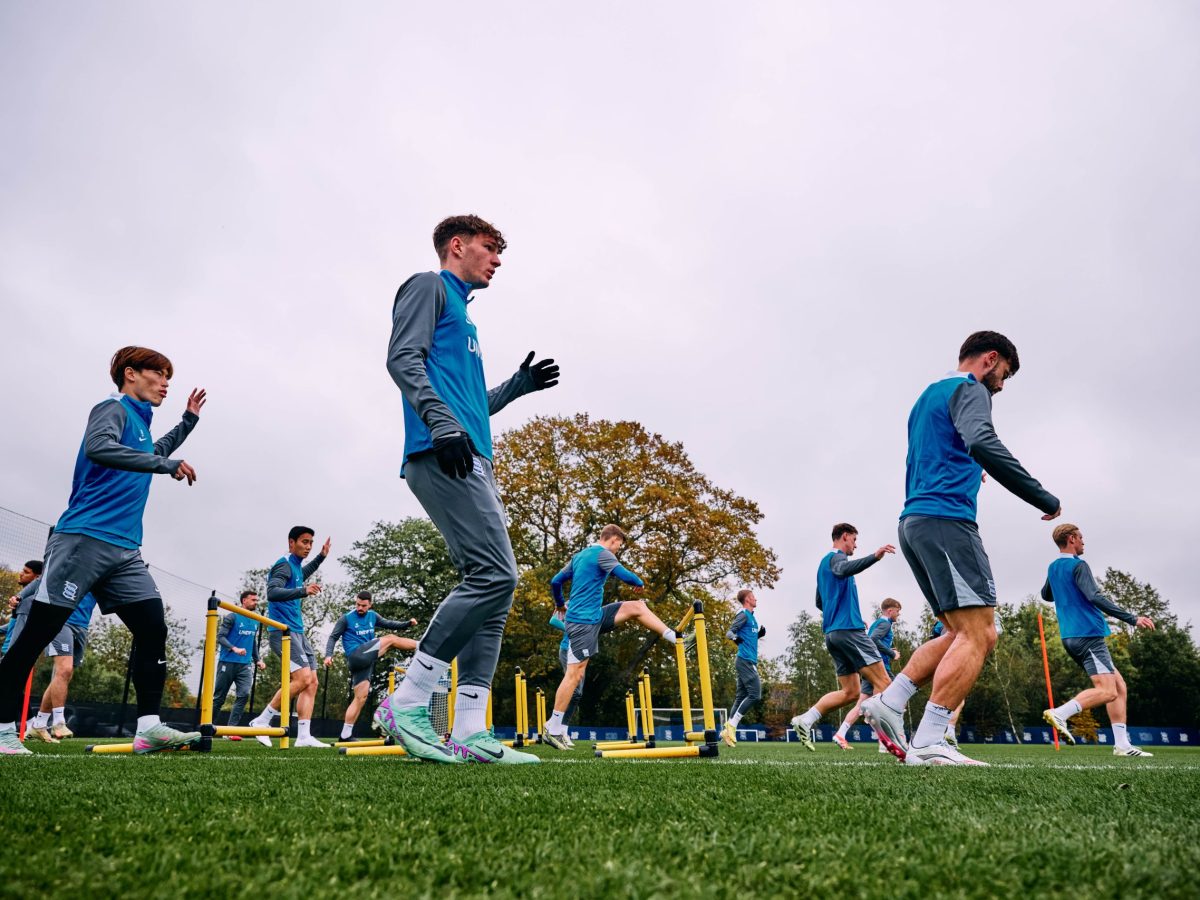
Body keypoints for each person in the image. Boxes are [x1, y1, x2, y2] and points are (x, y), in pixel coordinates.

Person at [376, 214, 559, 765]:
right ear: (457, 245)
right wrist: (441, 424)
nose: (497, 260)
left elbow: (474, 403)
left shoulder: (466, 319)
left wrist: (518, 386)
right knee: (494, 575)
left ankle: (471, 729)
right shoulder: (428, 287)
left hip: (472, 453)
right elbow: (401, 359)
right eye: (490, 247)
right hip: (443, 452)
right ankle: (407, 701)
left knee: (496, 593)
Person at [863, 331, 1061, 767]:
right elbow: (981, 441)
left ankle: (890, 702)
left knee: (955, 633)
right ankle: (930, 739)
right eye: (1004, 374)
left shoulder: (927, 396)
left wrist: (971, 469)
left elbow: (946, 449)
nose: (1001, 386)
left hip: (915, 523)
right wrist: (1043, 497)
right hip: (947, 521)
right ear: (990, 359)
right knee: (981, 633)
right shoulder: (971, 389)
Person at [0, 346, 205, 756]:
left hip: (125, 551)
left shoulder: (141, 423)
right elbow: (99, 447)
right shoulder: (111, 408)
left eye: (169, 377)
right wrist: (165, 465)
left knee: (152, 627)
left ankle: (148, 729)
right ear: (131, 373)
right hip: (83, 540)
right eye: (159, 374)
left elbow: (152, 454)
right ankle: (4, 730)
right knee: (36, 635)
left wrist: (187, 422)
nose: (165, 383)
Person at [542, 524, 679, 750]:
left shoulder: (579, 556)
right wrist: (639, 582)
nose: (617, 550)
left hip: (595, 616)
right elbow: (624, 575)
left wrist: (559, 604)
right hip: (583, 622)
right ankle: (553, 727)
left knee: (636, 607)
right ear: (613, 539)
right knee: (575, 674)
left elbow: (556, 581)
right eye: (619, 546)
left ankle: (674, 636)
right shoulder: (602, 554)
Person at [1041, 524, 1156, 757]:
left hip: (1070, 636)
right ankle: (1060, 714)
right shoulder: (1079, 565)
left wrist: (1063, 587)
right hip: (1088, 635)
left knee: (1119, 687)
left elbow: (1046, 595)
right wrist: (1132, 619)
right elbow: (1094, 596)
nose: (1083, 542)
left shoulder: (1054, 567)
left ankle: (1122, 745)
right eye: (1081, 538)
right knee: (1107, 691)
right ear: (1071, 539)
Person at [790, 524, 895, 751]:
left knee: (851, 692)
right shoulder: (837, 558)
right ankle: (887, 740)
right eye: (854, 540)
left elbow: (820, 601)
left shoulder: (822, 565)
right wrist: (875, 557)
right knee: (885, 683)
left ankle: (805, 720)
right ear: (844, 536)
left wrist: (843, 613)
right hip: (849, 630)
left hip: (833, 634)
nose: (855, 545)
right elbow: (842, 570)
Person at [248, 527, 330, 748]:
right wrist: (303, 591)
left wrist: (321, 557)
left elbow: (304, 573)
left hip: (298, 632)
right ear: (291, 542)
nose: (308, 546)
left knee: (312, 682)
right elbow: (272, 592)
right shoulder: (284, 564)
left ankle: (303, 736)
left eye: (311, 542)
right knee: (302, 679)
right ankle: (261, 721)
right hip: (283, 632)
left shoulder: (296, 566)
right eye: (304, 542)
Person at [323, 591, 418, 741]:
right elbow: (333, 637)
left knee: (361, 697)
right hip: (356, 655)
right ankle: (422, 646)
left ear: (370, 605)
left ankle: (345, 735)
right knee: (391, 639)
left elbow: (389, 624)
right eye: (358, 604)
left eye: (363, 605)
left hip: (366, 660)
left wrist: (407, 624)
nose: (360, 608)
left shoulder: (373, 616)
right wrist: (328, 655)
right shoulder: (346, 618)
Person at [28, 591, 98, 742]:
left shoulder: (102, 580)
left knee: (65, 675)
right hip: (60, 620)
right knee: (64, 669)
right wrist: (20, 596)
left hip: (82, 625)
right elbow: (40, 583)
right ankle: (59, 723)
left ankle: (39, 724)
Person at [833, 597, 901, 752]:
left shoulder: (877, 623)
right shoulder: (885, 624)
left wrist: (888, 651)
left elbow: (871, 640)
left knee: (861, 704)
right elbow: (873, 639)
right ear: (890, 610)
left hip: (868, 667)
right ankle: (885, 742)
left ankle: (840, 734)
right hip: (880, 669)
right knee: (894, 699)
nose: (898, 615)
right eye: (897, 611)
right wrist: (891, 653)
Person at [212, 590, 266, 740]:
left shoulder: (255, 620)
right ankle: (207, 727)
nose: (256, 603)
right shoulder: (232, 616)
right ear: (244, 601)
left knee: (244, 694)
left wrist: (258, 659)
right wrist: (234, 648)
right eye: (253, 600)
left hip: (245, 665)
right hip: (227, 662)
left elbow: (252, 642)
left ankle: (231, 730)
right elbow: (220, 637)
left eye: (257, 600)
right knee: (219, 698)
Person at [721, 589, 765, 747]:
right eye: (753, 597)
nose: (755, 599)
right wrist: (735, 637)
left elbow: (747, 637)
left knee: (740, 697)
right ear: (747, 600)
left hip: (746, 660)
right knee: (755, 695)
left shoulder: (752, 617)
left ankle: (727, 731)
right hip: (745, 660)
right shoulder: (743, 614)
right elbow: (729, 632)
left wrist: (758, 635)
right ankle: (732, 725)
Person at [1, 561, 43, 661]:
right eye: (22, 570)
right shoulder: (26, 598)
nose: (21, 574)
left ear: (37, 578)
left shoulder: (27, 600)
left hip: (11, 655)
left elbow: (19, 630)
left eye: (26, 572)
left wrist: (9, 657)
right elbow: (16, 624)